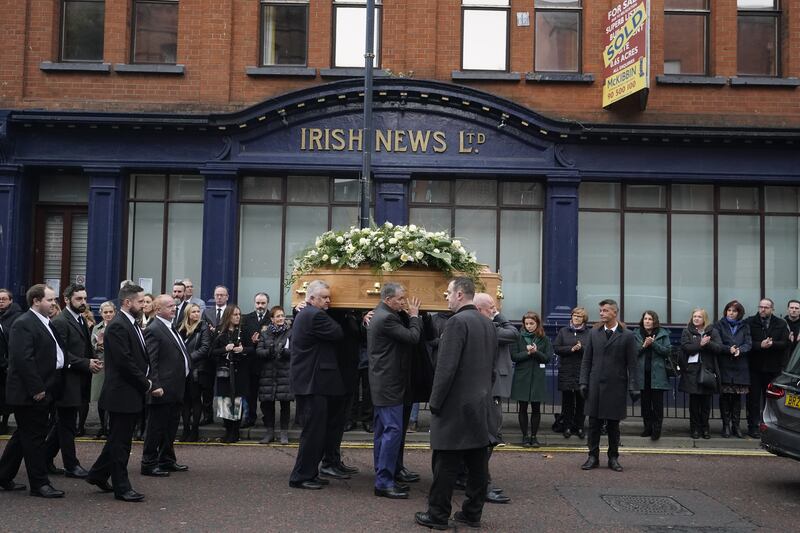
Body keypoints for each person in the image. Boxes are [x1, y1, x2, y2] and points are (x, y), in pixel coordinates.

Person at [415, 277, 496, 530]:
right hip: (480, 403)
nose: (446, 297)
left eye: (448, 293)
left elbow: (445, 368)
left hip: (455, 405)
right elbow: (491, 369)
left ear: (460, 294)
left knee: (446, 463)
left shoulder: (456, 323)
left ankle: (438, 515)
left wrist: (435, 402)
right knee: (477, 462)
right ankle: (472, 513)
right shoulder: (487, 324)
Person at [87, 283, 160, 503]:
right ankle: (122, 487)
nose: (143, 305)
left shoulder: (132, 323)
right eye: (139, 302)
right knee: (121, 444)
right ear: (127, 303)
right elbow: (124, 362)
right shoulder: (119, 325)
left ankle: (98, 474)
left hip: (130, 392)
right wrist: (147, 384)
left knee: (118, 440)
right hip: (121, 393)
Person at [0, 284, 66, 498]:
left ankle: (3, 475)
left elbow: (56, 353)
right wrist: (37, 389)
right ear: (36, 301)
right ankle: (39, 484)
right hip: (31, 393)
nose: (53, 303)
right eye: (49, 299)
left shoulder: (46, 322)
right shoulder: (24, 323)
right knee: (35, 439)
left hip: (47, 387)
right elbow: (22, 359)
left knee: (24, 436)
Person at [367, 282, 422, 499]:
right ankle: (384, 482)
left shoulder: (381, 313)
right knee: (393, 431)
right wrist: (415, 316)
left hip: (382, 383)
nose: (404, 302)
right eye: (400, 299)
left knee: (382, 432)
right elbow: (412, 338)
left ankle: (383, 474)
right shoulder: (387, 317)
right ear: (388, 299)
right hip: (389, 385)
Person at [288, 280, 344, 490]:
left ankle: (309, 472)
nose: (329, 301)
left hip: (310, 382)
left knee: (316, 431)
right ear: (311, 298)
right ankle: (300, 476)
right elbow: (338, 332)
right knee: (312, 433)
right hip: (313, 383)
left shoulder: (306, 314)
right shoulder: (315, 315)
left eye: (329, 297)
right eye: (324, 297)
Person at [46, 284, 102, 478]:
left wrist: (93, 359)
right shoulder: (61, 321)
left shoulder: (81, 319)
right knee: (67, 425)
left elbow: (84, 346)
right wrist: (86, 363)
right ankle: (72, 465)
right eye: (79, 299)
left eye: (85, 298)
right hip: (67, 381)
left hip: (80, 379)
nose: (84, 302)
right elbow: (61, 353)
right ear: (67, 300)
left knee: (62, 423)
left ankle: (45, 460)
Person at [579, 299, 639, 473]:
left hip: (616, 385)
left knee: (613, 425)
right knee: (594, 424)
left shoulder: (627, 335)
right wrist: (583, 381)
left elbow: (632, 364)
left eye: (605, 310)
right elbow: (587, 360)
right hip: (595, 384)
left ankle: (613, 457)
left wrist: (634, 386)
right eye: (600, 310)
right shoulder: (593, 333)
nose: (601, 313)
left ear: (615, 313)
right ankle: (593, 457)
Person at [140, 294, 191, 476]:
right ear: (158, 309)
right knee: (156, 428)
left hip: (176, 387)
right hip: (162, 388)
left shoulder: (170, 327)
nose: (174, 308)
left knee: (170, 427)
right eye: (169, 306)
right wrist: (154, 385)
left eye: (174, 305)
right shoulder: (154, 329)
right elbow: (151, 361)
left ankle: (167, 459)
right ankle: (148, 463)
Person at [474, 292, 517, 504]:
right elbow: (513, 333)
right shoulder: (489, 327)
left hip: (491, 389)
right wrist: (499, 315)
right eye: (491, 306)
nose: (495, 309)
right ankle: (482, 483)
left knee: (487, 437)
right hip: (490, 391)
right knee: (488, 437)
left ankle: (475, 479)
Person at [746, 298, 790, 438]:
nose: (763, 309)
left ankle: (768, 426)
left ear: (772, 309)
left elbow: (785, 344)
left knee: (770, 400)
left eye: (766, 307)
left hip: (773, 368)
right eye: (761, 307)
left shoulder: (780, 323)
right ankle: (752, 427)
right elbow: (746, 342)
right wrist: (760, 345)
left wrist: (772, 344)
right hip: (754, 367)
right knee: (753, 400)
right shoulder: (750, 322)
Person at [510, 311, 552, 448]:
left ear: (537, 324)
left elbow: (547, 358)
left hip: (537, 377)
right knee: (522, 407)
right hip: (522, 376)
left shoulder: (544, 339)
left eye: (532, 323)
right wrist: (528, 353)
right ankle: (524, 436)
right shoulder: (518, 337)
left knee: (536, 408)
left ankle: (534, 437)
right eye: (526, 323)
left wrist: (536, 352)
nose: (529, 326)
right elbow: (514, 356)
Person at [210, 305, 251, 443]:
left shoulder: (243, 331)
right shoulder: (220, 331)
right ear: (228, 316)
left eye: (239, 314)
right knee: (225, 402)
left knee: (237, 402)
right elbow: (211, 352)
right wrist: (224, 349)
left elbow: (253, 349)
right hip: (225, 372)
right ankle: (228, 431)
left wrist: (242, 349)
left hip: (240, 372)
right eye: (235, 314)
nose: (238, 317)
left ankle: (235, 432)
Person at [679, 308, 722, 439]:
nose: (696, 318)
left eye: (699, 317)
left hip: (707, 372)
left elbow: (719, 348)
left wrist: (708, 344)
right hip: (692, 372)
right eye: (694, 316)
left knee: (706, 404)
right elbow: (686, 348)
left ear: (704, 319)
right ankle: (695, 429)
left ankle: (705, 428)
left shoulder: (712, 332)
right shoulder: (687, 331)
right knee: (694, 403)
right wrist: (700, 344)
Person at [256, 306, 294, 445]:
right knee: (267, 404)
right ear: (272, 319)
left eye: (282, 316)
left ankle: (284, 433)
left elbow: (296, 351)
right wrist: (269, 351)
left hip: (284, 372)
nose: (281, 318)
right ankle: (269, 432)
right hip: (268, 373)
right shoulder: (265, 334)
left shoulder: (291, 332)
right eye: (277, 316)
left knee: (285, 404)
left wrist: (286, 353)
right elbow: (259, 351)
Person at [714, 300, 752, 439]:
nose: (731, 313)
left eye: (734, 311)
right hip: (724, 365)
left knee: (737, 398)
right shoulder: (718, 325)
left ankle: (736, 426)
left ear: (739, 313)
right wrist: (728, 349)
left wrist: (740, 350)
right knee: (724, 398)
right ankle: (726, 426)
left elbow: (748, 343)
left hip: (740, 366)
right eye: (729, 310)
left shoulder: (745, 326)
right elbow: (717, 343)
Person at [633, 310, 672, 441]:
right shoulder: (636, 334)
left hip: (658, 375)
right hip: (643, 375)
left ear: (654, 321)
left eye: (650, 319)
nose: (647, 321)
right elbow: (632, 353)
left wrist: (653, 344)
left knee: (657, 405)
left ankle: (656, 430)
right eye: (645, 319)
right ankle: (647, 428)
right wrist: (644, 345)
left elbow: (667, 351)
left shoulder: (662, 334)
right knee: (645, 404)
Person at [553, 307, 590, 439]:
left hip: (582, 371)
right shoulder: (564, 331)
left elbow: (592, 351)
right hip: (567, 371)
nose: (576, 318)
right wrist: (571, 349)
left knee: (581, 401)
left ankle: (579, 427)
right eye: (574, 315)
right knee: (567, 402)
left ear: (583, 319)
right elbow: (556, 348)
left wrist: (581, 348)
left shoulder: (588, 333)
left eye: (579, 316)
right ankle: (567, 426)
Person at [178, 303, 210, 442]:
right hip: (182, 370)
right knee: (185, 401)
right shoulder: (180, 327)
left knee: (195, 400)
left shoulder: (203, 327)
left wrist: (187, 358)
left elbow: (205, 348)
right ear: (188, 314)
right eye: (193, 312)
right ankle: (185, 430)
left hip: (197, 369)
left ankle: (194, 430)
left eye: (198, 311)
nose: (196, 314)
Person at [241, 292, 270, 429]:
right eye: (258, 303)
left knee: (266, 394)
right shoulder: (246, 319)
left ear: (267, 304)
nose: (260, 306)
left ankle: (267, 419)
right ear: (254, 303)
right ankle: (250, 417)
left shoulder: (272, 318)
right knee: (250, 393)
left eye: (263, 303)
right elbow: (243, 341)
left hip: (267, 363)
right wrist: (252, 343)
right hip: (251, 362)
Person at [90, 301, 115, 439]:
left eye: (111, 312)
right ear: (101, 314)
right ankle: (103, 426)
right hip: (100, 365)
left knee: (112, 397)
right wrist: (97, 345)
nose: (108, 314)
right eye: (105, 312)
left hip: (114, 366)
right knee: (100, 398)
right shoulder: (96, 328)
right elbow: (91, 346)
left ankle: (111, 426)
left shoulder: (118, 326)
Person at [0, 287, 22, 435]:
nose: (1, 302)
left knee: (6, 396)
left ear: (11, 301)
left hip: (7, 363)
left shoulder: (17, 317)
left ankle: (5, 422)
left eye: (4, 299)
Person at [76, 308, 97, 436]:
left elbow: (89, 345)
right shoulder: (63, 321)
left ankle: (81, 425)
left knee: (84, 399)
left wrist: (92, 361)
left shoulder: (84, 322)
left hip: (86, 367)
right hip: (76, 366)